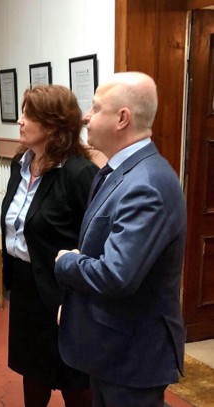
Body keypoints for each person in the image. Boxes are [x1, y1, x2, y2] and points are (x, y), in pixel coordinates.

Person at [55, 72, 186, 407]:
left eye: (96, 108)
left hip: (133, 357)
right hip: (110, 347)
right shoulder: (118, 171)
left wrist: (67, 262)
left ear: (122, 118)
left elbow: (116, 275)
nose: (85, 115)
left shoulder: (146, 184)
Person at [0, 85, 97, 407]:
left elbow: (94, 242)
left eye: (28, 114)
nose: (19, 120)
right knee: (34, 368)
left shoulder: (79, 173)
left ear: (53, 125)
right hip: (27, 287)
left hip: (63, 293)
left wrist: (77, 297)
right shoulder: (21, 164)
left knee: (73, 376)